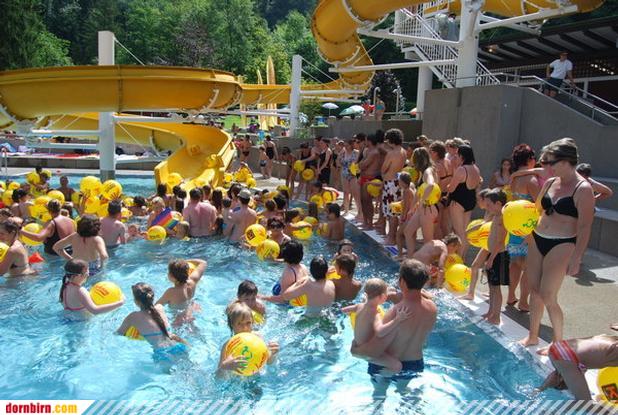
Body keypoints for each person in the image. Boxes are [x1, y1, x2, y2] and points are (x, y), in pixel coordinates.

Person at [520, 138, 595, 347]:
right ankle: (533, 336)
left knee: (548, 295)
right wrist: (526, 232)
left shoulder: (583, 189)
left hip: (562, 243)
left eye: (550, 162)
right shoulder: (551, 182)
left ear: (564, 161)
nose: (546, 167)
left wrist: (577, 258)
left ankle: (558, 343)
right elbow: (537, 209)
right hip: (538, 238)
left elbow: (585, 227)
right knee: (534, 291)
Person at [367, 259, 437, 398]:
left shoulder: (396, 311)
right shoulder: (432, 308)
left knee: (379, 393)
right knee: (403, 391)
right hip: (414, 364)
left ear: (402, 282)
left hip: (388, 364)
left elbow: (378, 337)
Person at [343, 279, 412, 372]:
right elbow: (380, 332)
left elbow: (345, 310)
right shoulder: (375, 314)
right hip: (367, 353)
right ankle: (380, 376)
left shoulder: (359, 306)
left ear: (366, 294)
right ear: (383, 296)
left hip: (357, 345)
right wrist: (397, 319)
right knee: (397, 366)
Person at [117, 283, 188, 364]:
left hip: (162, 355)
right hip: (178, 346)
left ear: (136, 301)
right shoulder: (160, 307)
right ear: (152, 297)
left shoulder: (133, 317)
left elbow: (119, 333)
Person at [507, 144, 540, 312]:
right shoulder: (531, 180)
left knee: (515, 263)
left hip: (514, 225)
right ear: (529, 159)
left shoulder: (514, 178)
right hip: (528, 227)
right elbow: (540, 204)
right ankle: (523, 301)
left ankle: (511, 295)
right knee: (528, 266)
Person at [537, 335, 618, 400]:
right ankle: (540, 392)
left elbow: (557, 374)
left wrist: (541, 388)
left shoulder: (568, 367)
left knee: (584, 402)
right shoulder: (569, 368)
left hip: (560, 349)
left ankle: (538, 390)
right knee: (585, 403)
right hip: (562, 350)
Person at [216, 301, 279, 377]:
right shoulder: (228, 346)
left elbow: (268, 363)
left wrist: (272, 354)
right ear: (232, 325)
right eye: (239, 323)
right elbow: (218, 377)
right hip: (237, 379)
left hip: (256, 376)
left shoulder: (258, 338)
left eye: (248, 323)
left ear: (252, 322)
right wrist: (225, 367)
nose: (245, 328)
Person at [264, 256, 336, 317]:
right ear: (326, 270)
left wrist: (298, 282)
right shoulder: (331, 284)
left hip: (309, 318)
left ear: (311, 271)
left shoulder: (308, 285)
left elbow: (285, 296)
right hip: (328, 315)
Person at [403, 147, 440, 257]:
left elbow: (431, 185)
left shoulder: (428, 171)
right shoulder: (423, 171)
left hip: (428, 209)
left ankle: (428, 263)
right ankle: (410, 258)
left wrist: (422, 201)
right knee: (408, 232)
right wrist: (412, 209)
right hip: (423, 208)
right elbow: (419, 191)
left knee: (428, 241)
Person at [447, 144, 481, 256]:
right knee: (465, 232)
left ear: (462, 156)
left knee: (459, 233)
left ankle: (459, 258)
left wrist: (447, 185)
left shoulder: (461, 170)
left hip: (458, 202)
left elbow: (451, 189)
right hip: (470, 201)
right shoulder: (476, 168)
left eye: (457, 155)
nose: (455, 157)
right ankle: (463, 257)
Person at [483, 189, 509, 325]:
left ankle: (497, 316)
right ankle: (490, 312)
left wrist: (491, 259)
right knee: (491, 286)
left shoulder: (502, 218)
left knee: (496, 287)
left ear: (498, 203)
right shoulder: (496, 216)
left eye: (489, 205)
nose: (487, 208)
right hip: (492, 254)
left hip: (498, 256)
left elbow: (501, 241)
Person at [156, 259, 207, 326]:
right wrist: (185, 262)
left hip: (178, 321)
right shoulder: (193, 281)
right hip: (190, 312)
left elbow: (157, 306)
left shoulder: (171, 292)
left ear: (172, 276)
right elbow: (203, 263)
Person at [380, 129, 408, 245]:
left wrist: (384, 175)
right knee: (395, 211)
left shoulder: (391, 153)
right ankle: (392, 237)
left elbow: (384, 169)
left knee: (392, 213)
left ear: (391, 140)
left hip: (390, 184)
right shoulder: (403, 151)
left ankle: (391, 238)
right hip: (398, 182)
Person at [359, 134, 382, 230]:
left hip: (370, 179)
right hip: (364, 177)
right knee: (363, 201)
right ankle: (365, 221)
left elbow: (362, 165)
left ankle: (370, 223)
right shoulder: (368, 151)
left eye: (366, 140)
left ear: (369, 141)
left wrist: (361, 163)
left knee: (368, 201)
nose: (365, 142)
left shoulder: (374, 152)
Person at [429, 141, 451, 237]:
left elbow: (435, 184)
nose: (429, 154)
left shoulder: (436, 166)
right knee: (444, 224)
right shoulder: (448, 161)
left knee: (436, 224)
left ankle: (436, 242)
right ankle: (447, 242)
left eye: (430, 151)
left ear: (436, 153)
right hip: (448, 195)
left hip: (438, 196)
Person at [395, 172, 416, 260]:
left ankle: (400, 255)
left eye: (399, 181)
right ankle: (410, 254)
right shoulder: (411, 187)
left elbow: (407, 206)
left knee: (398, 235)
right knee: (411, 235)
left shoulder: (406, 191)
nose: (398, 182)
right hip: (413, 215)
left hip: (408, 216)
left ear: (403, 182)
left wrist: (402, 218)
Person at [340, 139, 360, 215]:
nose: (345, 147)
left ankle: (359, 211)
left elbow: (358, 162)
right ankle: (346, 211)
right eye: (344, 145)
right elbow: (339, 162)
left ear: (351, 145)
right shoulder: (343, 152)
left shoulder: (356, 152)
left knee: (355, 193)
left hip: (353, 174)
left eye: (347, 145)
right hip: (344, 174)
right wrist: (339, 157)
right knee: (345, 193)